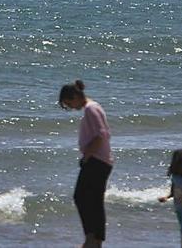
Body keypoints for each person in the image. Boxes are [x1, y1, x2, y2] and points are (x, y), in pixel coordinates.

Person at [60, 79, 112, 247]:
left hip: (97, 161)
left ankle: (92, 238)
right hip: (99, 160)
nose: (71, 107)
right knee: (92, 200)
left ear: (75, 96)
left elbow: (101, 135)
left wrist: (87, 156)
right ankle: (94, 239)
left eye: (69, 103)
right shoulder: (91, 108)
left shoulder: (91, 109)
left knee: (82, 197)